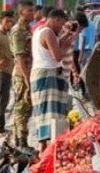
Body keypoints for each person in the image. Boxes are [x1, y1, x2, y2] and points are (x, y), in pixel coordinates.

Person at [31, 8, 79, 150]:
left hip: (45, 74)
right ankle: (48, 149)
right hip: (47, 75)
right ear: (56, 20)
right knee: (50, 115)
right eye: (61, 24)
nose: (62, 28)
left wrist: (65, 40)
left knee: (46, 114)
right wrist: (65, 45)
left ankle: (45, 148)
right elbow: (58, 56)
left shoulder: (40, 30)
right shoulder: (48, 33)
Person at [10, 1, 36, 150]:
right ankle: (21, 142)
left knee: (26, 107)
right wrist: (26, 78)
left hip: (28, 70)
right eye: (29, 11)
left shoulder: (28, 29)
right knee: (22, 108)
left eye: (32, 11)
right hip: (21, 74)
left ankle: (20, 140)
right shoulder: (17, 31)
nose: (32, 13)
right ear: (21, 13)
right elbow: (19, 56)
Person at [72, 11, 90, 97]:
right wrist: (74, 71)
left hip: (77, 52)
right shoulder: (68, 33)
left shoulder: (74, 33)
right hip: (74, 54)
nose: (80, 31)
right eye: (81, 28)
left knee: (80, 73)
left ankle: (81, 92)